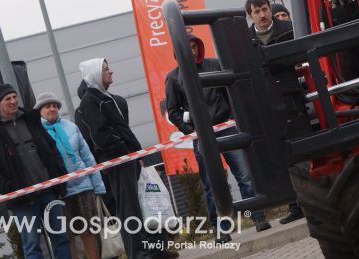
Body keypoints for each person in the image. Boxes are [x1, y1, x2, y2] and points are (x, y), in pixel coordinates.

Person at [164, 35, 271, 236]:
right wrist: (191, 131)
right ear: (178, 52)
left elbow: (232, 92)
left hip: (228, 128)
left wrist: (232, 117)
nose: (192, 51)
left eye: (195, 46)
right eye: (188, 47)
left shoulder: (215, 65)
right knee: (212, 184)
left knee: (245, 176)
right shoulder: (173, 77)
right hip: (202, 136)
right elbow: (173, 111)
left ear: (199, 47)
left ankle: (256, 217)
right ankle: (220, 229)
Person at [76, 59, 170, 259]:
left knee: (138, 206)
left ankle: (151, 249)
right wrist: (123, 147)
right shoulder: (90, 101)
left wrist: (135, 154)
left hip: (128, 158)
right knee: (128, 208)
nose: (111, 72)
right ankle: (138, 253)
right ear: (94, 74)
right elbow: (101, 135)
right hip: (117, 160)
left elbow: (121, 128)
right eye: (105, 69)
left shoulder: (106, 97)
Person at [0, 85, 71, 259]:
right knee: (32, 245)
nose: (13, 101)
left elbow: (52, 147)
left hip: (49, 192)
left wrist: (60, 175)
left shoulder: (31, 120)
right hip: (23, 200)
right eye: (8, 99)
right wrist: (9, 188)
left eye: (14, 97)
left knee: (61, 239)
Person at [36, 92, 106, 259]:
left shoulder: (71, 127)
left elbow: (88, 157)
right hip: (59, 192)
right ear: (39, 110)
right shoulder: (37, 133)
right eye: (47, 106)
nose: (52, 109)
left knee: (88, 232)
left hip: (83, 187)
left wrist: (98, 186)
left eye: (55, 105)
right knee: (66, 237)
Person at [264, 4, 305, 225]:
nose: (262, 15)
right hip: (275, 103)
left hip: (299, 95)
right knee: (286, 156)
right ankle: (295, 204)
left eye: (265, 10)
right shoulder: (249, 38)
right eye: (256, 11)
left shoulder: (292, 29)